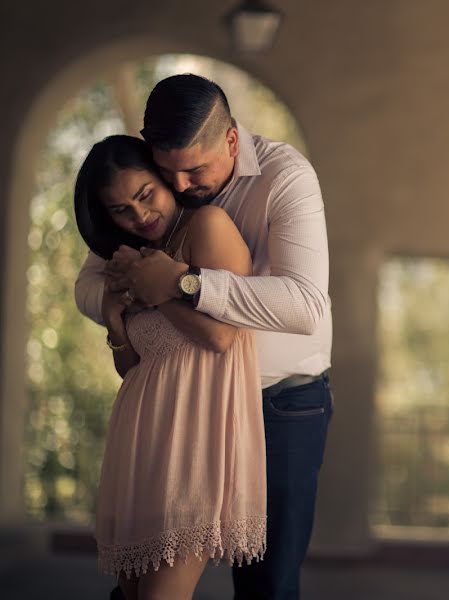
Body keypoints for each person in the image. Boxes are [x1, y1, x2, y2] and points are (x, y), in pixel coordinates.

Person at [75, 74, 333, 600]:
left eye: (196, 169)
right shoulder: (155, 185)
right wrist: (115, 309)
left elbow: (305, 305)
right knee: (138, 582)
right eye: (170, 173)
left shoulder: (286, 178)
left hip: (279, 402)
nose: (183, 185)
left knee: (267, 583)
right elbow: (90, 282)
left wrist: (180, 283)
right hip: (180, 408)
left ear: (232, 141)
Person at [73, 134, 267, 599]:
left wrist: (154, 288)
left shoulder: (208, 226)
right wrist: (117, 323)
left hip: (195, 447)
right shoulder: (135, 257)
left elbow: (222, 336)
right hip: (141, 441)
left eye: (145, 195)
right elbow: (134, 367)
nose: (139, 216)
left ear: (165, 178)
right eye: (121, 210)